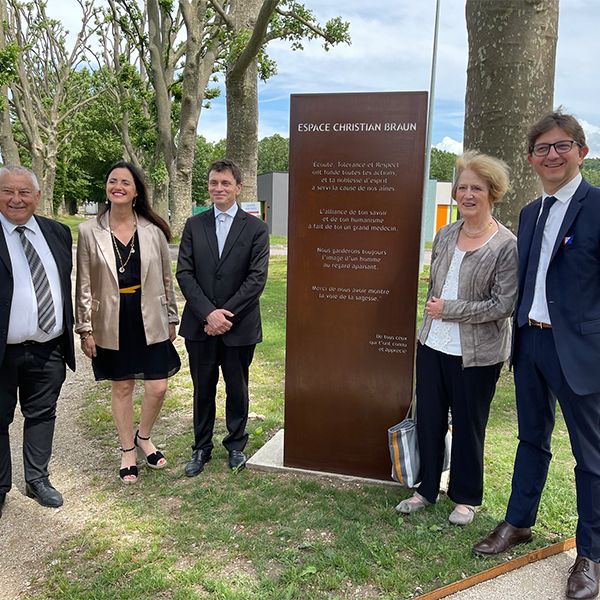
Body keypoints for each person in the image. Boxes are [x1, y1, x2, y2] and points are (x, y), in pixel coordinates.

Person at [474, 110, 600, 599]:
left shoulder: (595, 206)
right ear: (531, 159)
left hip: (582, 351)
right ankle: (519, 522)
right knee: (532, 440)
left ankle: (589, 553)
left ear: (581, 151)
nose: (552, 154)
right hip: (531, 345)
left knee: (590, 457)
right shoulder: (530, 213)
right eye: (542, 148)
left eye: (561, 145)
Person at [396, 151, 518, 526]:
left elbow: (504, 304)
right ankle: (426, 489)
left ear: (492, 192)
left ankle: (466, 497)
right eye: (462, 187)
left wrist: (450, 309)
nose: (467, 194)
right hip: (432, 345)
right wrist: (436, 317)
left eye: (476, 188)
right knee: (429, 420)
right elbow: (436, 286)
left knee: (469, 424)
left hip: (478, 354)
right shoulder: (446, 234)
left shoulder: (505, 245)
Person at [76, 161, 180, 484]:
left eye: (125, 182)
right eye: (112, 181)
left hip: (149, 315)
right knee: (122, 385)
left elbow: (166, 278)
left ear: (136, 191)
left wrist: (172, 316)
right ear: (107, 189)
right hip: (111, 319)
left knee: (158, 385)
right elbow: (83, 284)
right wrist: (85, 328)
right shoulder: (88, 231)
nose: (117, 186)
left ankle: (144, 436)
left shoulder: (153, 230)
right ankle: (127, 450)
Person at [177, 158, 269, 476]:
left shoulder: (256, 229)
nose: (219, 188)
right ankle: (201, 448)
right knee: (203, 388)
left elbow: (256, 279)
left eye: (225, 183)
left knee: (237, 387)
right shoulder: (193, 225)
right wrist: (208, 313)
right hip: (201, 326)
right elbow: (185, 273)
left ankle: (235, 447)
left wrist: (225, 315)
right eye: (214, 183)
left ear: (238, 187)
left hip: (238, 326)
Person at [0, 165, 75, 513]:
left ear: (37, 197)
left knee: (43, 413)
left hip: (48, 349)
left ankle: (37, 479)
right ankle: (1, 486)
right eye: (7, 191)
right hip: (4, 351)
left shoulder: (58, 233)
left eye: (24, 192)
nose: (16, 199)